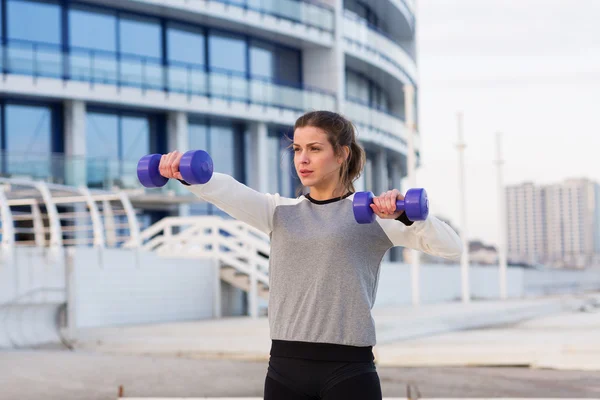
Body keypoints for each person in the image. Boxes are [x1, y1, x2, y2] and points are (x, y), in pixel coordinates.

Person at [158, 110, 462, 400]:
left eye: (315, 149)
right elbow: (226, 190)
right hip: (284, 368)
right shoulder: (278, 212)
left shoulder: (374, 215)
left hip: (348, 369)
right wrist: (186, 174)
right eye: (297, 149)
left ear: (342, 153)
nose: (302, 159)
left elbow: (451, 247)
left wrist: (408, 217)